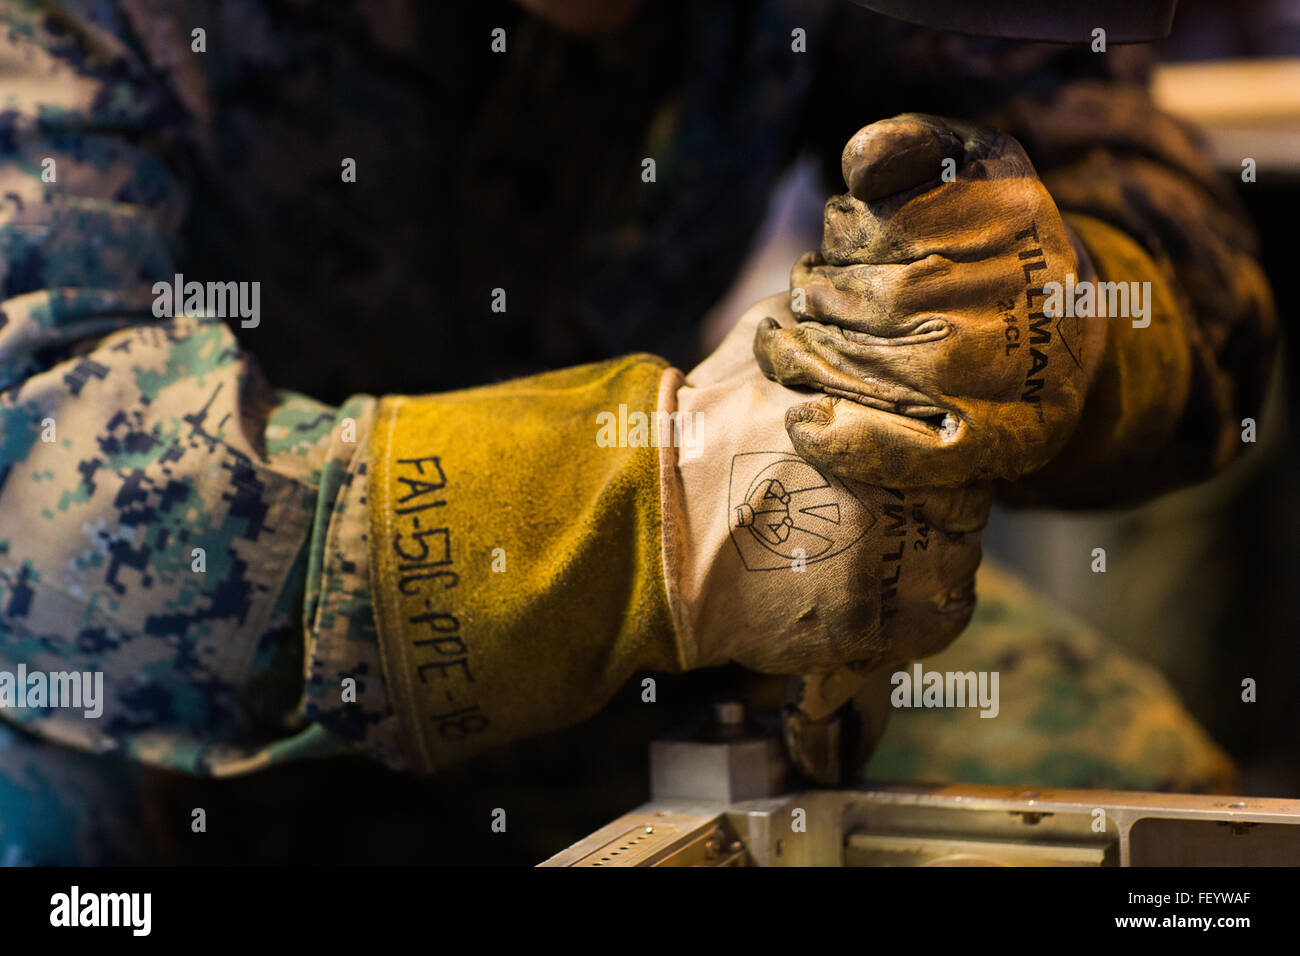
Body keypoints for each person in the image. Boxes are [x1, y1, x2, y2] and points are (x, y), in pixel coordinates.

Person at [0, 0, 1272, 864]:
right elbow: (38, 491)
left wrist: (1060, 330)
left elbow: (1191, 271)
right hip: (149, 699)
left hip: (664, 648)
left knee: (1125, 797)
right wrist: (653, 502)